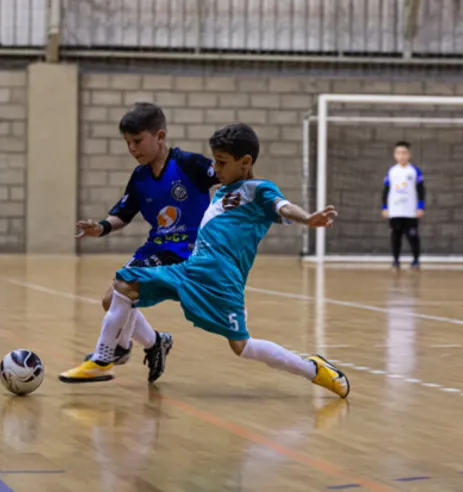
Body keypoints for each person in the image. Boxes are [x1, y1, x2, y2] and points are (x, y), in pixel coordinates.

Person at [61, 123, 350, 398]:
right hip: (189, 270)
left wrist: (308, 219)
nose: (217, 168)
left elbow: (283, 207)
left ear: (245, 162)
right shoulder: (223, 190)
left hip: (221, 284)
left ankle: (313, 369)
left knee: (242, 346)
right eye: (216, 161)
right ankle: (105, 357)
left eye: (222, 162)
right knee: (123, 284)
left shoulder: (259, 190)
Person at [59, 102, 219, 384]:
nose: (133, 148)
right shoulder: (140, 176)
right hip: (155, 247)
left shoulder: (189, 164)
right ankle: (156, 342)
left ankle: (106, 356)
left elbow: (226, 174)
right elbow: (123, 214)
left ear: (160, 136)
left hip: (185, 250)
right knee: (111, 300)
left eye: (137, 141)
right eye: (128, 143)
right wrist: (102, 227)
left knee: (123, 290)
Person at [381, 141, 425, 270]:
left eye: (404, 153)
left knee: (413, 236)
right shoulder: (391, 171)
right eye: (399, 153)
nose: (402, 156)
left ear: (409, 155)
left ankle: (415, 260)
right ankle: (395, 260)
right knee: (396, 236)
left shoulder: (414, 171)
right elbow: (386, 190)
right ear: (395, 155)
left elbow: (421, 190)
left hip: (410, 211)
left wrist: (420, 206)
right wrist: (384, 207)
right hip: (395, 211)